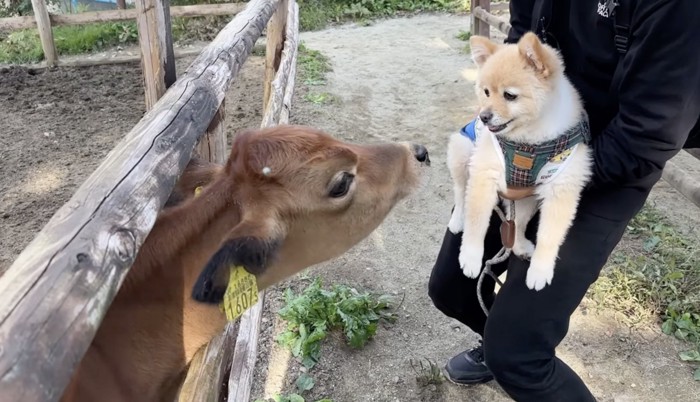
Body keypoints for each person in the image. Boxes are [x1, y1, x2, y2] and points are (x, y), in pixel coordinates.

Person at [428, 1, 700, 401]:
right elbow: (521, 34)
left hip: (610, 158)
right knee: (449, 288)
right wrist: (498, 94)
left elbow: (646, 137)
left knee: (519, 355)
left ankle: (508, 348)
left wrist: (542, 179)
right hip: (529, 129)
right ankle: (496, 337)